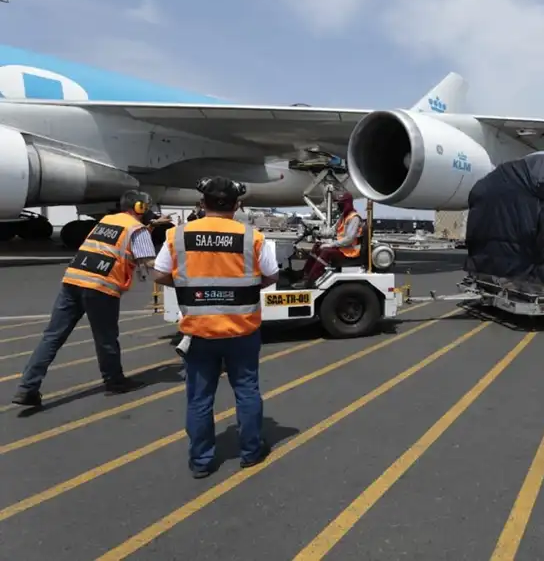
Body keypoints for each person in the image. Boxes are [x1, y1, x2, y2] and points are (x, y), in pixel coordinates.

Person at [152, 176, 279, 479]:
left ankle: (201, 460)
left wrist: (184, 284)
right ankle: (250, 452)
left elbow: (158, 274)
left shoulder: (178, 235)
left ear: (201, 204)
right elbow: (272, 275)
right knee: (247, 391)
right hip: (242, 331)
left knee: (199, 398)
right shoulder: (253, 236)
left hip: (198, 331)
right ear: (237, 205)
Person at [11, 191, 169, 407]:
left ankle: (27, 388)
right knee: (106, 338)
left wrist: (151, 226)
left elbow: (120, 242)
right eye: (147, 206)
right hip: (100, 287)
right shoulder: (136, 229)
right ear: (140, 207)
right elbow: (149, 262)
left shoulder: (107, 221)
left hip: (73, 280)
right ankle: (114, 381)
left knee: (52, 337)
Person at [297, 191, 364, 287]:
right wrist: (316, 233)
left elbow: (349, 239)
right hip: (342, 249)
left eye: (340, 204)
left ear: (346, 204)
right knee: (318, 246)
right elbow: (332, 231)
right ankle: (305, 274)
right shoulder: (343, 217)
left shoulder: (354, 218)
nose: (338, 206)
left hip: (350, 252)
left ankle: (310, 281)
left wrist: (331, 244)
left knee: (326, 252)